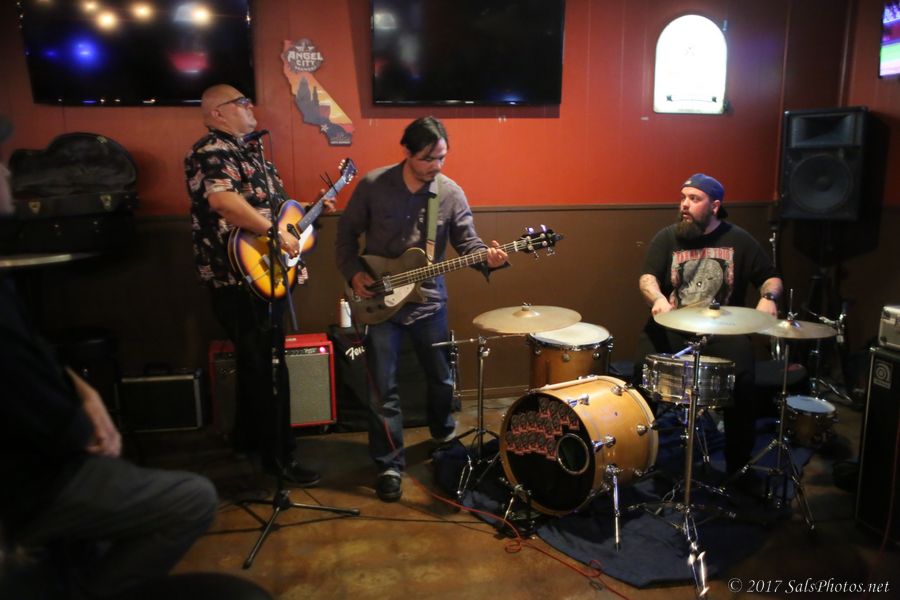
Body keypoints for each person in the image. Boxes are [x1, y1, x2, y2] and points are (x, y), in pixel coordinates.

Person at [0, 118, 218, 599]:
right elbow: (33, 405)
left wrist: (83, 391)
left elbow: (32, 352)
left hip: (42, 466)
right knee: (192, 499)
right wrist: (81, 433)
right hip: (30, 484)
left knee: (97, 537)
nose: (6, 174)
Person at [336, 116, 508, 502]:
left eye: (442, 157)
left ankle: (443, 437)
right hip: (378, 300)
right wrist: (353, 273)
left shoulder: (450, 193)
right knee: (382, 389)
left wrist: (489, 258)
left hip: (429, 303)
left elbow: (468, 243)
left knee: (442, 379)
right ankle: (388, 464)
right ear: (407, 152)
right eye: (428, 159)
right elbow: (345, 234)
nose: (436, 166)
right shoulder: (374, 185)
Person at [185, 85, 333, 485]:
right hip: (238, 278)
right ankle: (279, 459)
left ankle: (249, 441)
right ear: (217, 112)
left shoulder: (254, 155)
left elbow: (277, 216)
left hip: (265, 277)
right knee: (267, 369)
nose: (250, 107)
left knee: (260, 364)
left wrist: (312, 210)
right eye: (241, 102)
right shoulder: (212, 151)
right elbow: (223, 202)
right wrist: (274, 233)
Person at [635, 173, 783, 486]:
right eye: (683, 197)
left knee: (743, 380)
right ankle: (638, 457)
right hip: (674, 326)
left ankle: (737, 467)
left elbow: (770, 277)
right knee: (640, 373)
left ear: (714, 206)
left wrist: (768, 298)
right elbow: (647, 277)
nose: (684, 205)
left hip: (721, 331)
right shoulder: (667, 237)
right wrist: (658, 298)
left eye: (694, 199)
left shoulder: (738, 239)